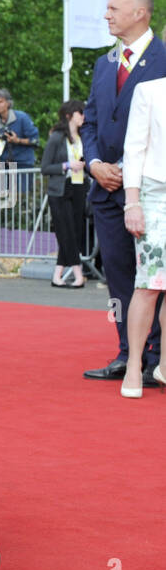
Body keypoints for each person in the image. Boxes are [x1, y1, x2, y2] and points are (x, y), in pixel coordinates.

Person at [81, 0, 165, 385]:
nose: (106, 15)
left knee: (154, 277)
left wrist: (130, 171)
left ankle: (157, 358)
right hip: (106, 189)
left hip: (149, 191)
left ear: (140, 13)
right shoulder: (104, 64)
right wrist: (95, 163)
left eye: (114, 8)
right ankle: (127, 351)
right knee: (117, 275)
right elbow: (92, 122)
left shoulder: (164, 58)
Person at [119, 74, 166, 397]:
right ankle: (135, 365)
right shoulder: (149, 91)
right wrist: (132, 202)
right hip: (154, 197)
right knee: (149, 283)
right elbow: (133, 148)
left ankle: (164, 365)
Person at [40, 100, 90, 289]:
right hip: (60, 190)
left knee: (74, 232)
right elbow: (45, 167)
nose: (83, 117)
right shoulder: (57, 137)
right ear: (69, 115)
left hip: (79, 187)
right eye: (80, 112)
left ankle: (57, 275)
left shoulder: (83, 137)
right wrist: (67, 165)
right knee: (66, 231)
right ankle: (78, 274)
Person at [0, 88, 39, 198]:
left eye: (1, 102)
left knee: (21, 198)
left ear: (8, 103)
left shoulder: (22, 117)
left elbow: (35, 140)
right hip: (4, 166)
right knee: (4, 199)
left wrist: (18, 140)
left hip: (23, 164)